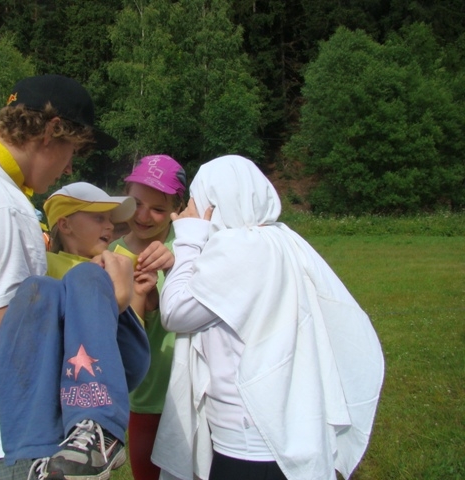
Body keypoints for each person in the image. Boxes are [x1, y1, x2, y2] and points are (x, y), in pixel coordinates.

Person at [0, 74, 123, 479]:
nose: (70, 166)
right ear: (51, 131)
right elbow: (14, 360)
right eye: (72, 150)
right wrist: (109, 305)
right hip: (19, 439)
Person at [150, 155, 385, 480]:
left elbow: (175, 312)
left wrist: (189, 237)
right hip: (284, 423)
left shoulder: (239, 249)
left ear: (214, 203)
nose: (190, 208)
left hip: (247, 439)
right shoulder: (280, 239)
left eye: (195, 198)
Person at [0, 182, 156, 480]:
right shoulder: (43, 266)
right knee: (38, 288)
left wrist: (127, 296)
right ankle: (40, 449)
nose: (110, 226)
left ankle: (100, 429)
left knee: (86, 275)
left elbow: (134, 353)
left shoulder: (116, 262)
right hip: (61, 370)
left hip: (113, 363)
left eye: (111, 219)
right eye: (99, 218)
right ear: (65, 224)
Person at [108, 154, 187, 480]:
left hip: (192, 392)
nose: (143, 216)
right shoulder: (111, 254)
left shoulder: (189, 246)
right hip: (143, 398)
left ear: (177, 209)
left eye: (157, 208)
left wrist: (176, 264)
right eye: (137, 203)